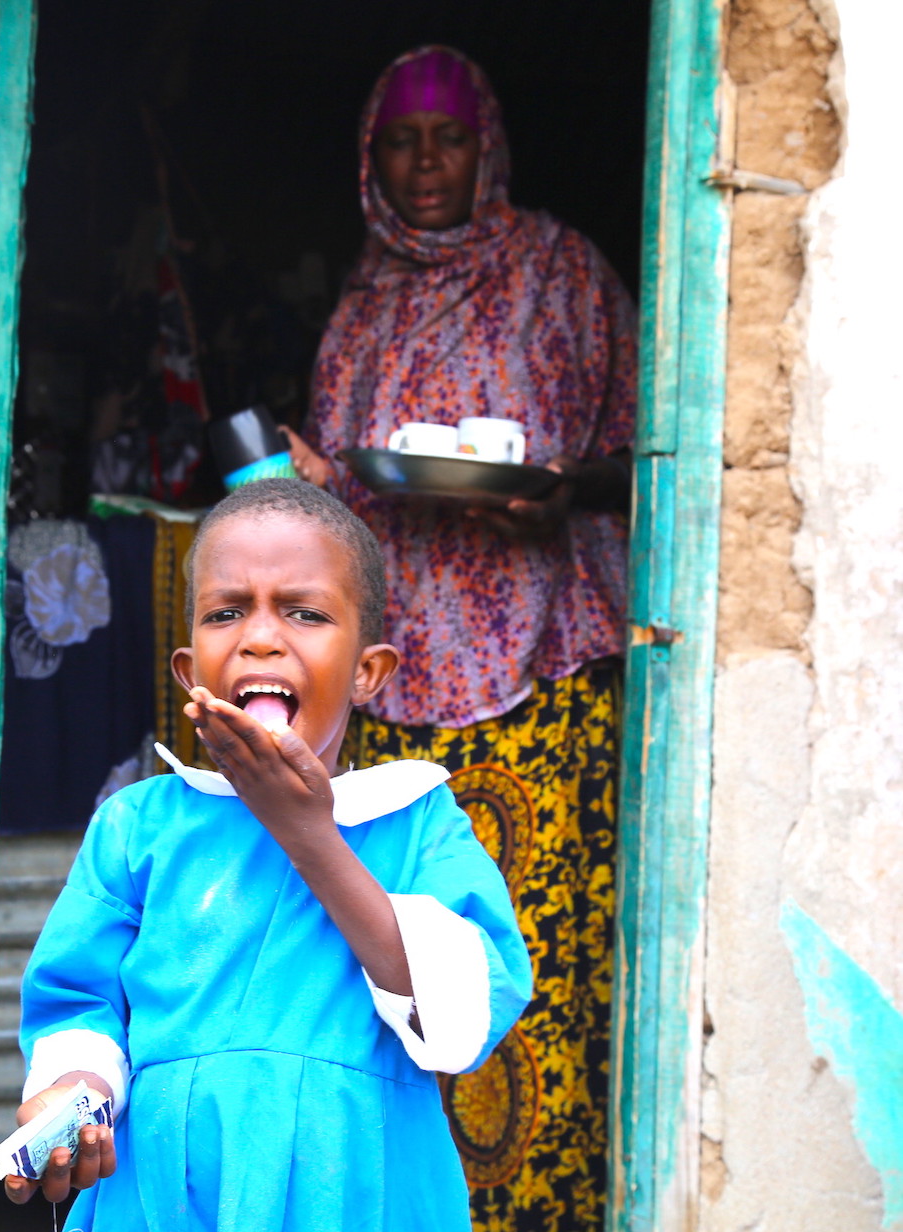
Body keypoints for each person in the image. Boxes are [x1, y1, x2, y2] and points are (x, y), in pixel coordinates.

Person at [279, 46, 636, 1232]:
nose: (425, 164)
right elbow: (338, 495)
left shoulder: (564, 271)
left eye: (447, 139)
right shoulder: (364, 303)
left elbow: (642, 450)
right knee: (398, 969)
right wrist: (315, 481)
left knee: (530, 963)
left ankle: (546, 1207)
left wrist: (563, 492)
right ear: (369, 160)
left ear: (486, 145)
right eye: (400, 142)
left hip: (545, 680)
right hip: (391, 689)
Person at [4, 478, 531, 1231]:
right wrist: (71, 1093)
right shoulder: (138, 826)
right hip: (164, 1195)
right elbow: (79, 1004)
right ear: (189, 673)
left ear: (366, 672)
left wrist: (311, 835)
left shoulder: (415, 821)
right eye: (226, 612)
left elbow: (460, 1017)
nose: (258, 637)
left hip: (352, 1192)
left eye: (304, 612)